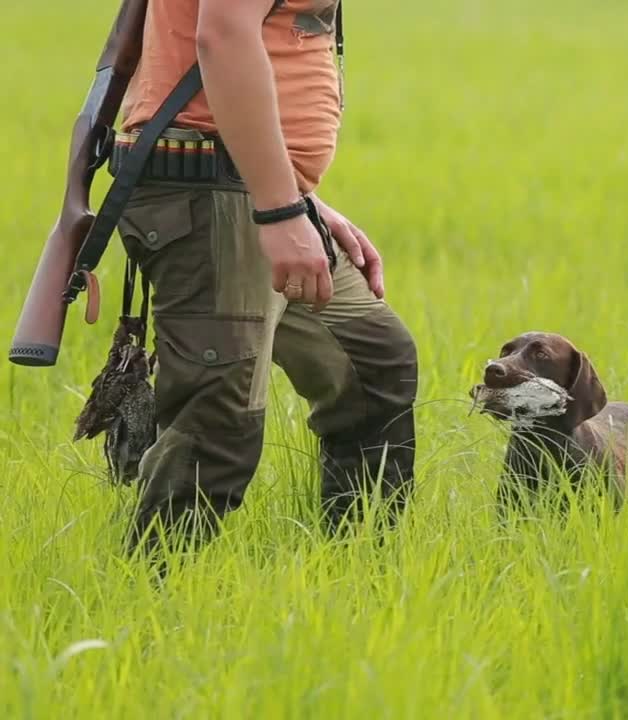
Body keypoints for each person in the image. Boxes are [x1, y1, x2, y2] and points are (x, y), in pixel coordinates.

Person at [112, 0, 417, 559]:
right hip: (209, 189)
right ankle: (146, 603)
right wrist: (279, 210)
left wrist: (299, 198)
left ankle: (360, 581)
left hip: (246, 186)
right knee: (220, 418)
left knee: (373, 364)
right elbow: (224, 36)